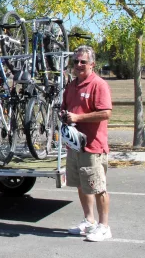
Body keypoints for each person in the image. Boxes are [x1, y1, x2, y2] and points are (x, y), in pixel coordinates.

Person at [60, 45, 112, 242]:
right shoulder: (71, 85)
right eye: (76, 62)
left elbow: (105, 112)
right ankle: (89, 221)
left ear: (92, 64)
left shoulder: (98, 85)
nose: (79, 65)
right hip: (75, 145)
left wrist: (78, 117)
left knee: (98, 187)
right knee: (81, 186)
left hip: (93, 147)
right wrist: (64, 115)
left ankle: (104, 226)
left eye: (83, 61)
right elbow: (65, 108)